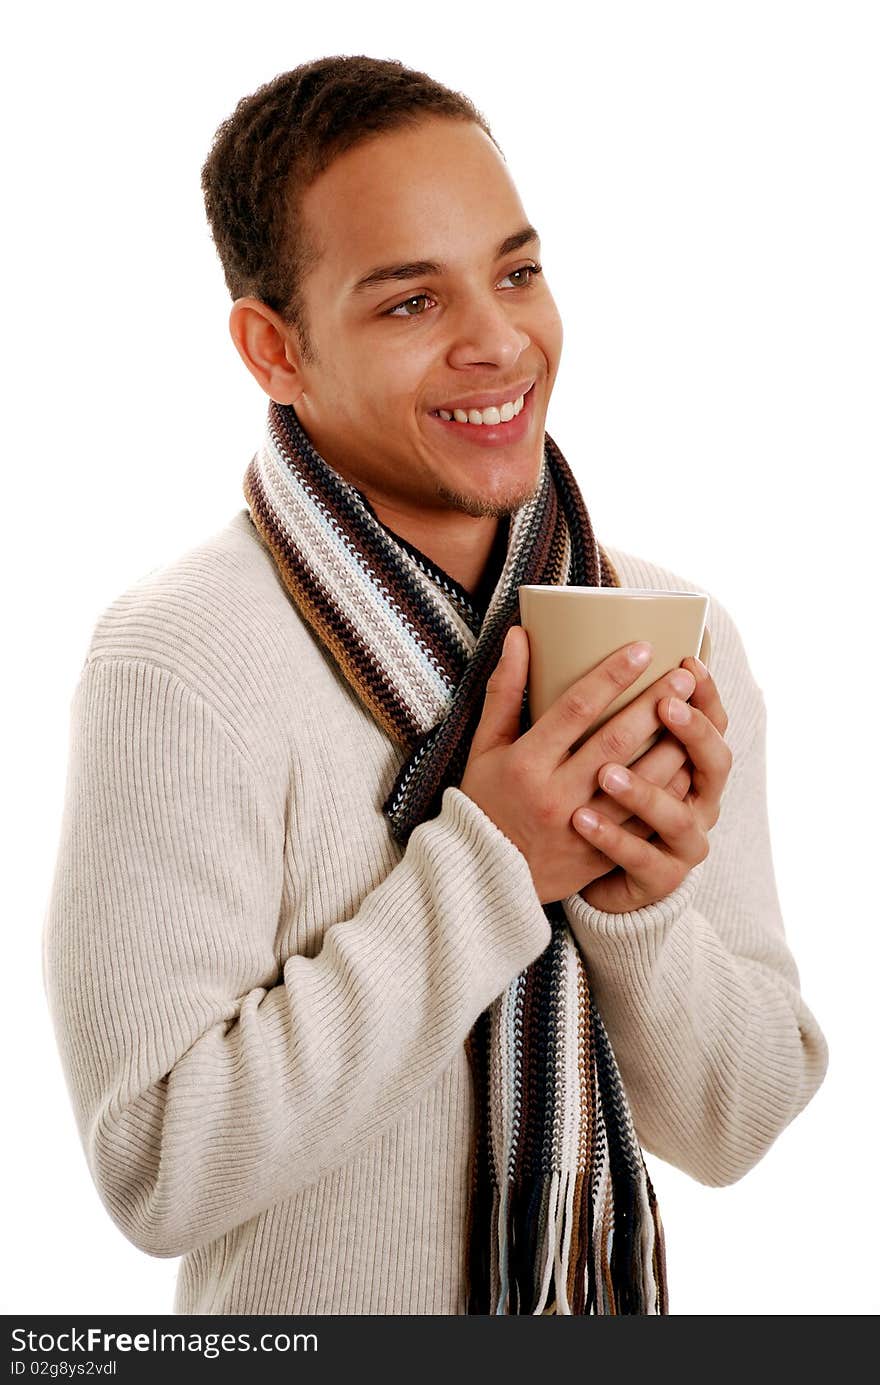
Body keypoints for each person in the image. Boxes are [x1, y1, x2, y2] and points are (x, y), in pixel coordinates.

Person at [42, 55, 828, 1316]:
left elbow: (738, 1122)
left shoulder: (665, 632)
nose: (500, 339)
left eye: (516, 271)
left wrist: (636, 910)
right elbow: (156, 1167)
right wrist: (496, 870)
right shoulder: (180, 662)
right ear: (273, 348)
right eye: (410, 303)